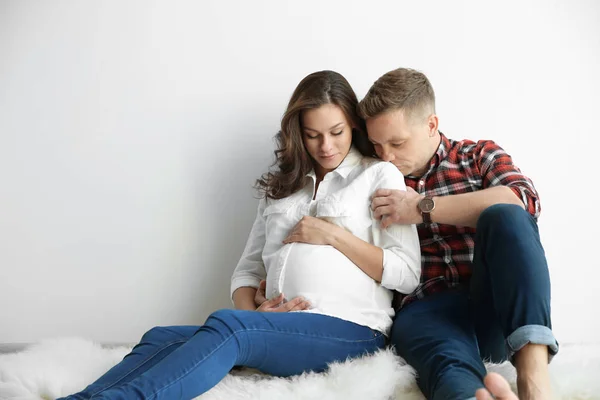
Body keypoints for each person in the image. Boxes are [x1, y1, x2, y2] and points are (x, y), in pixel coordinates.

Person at [57, 70, 421, 400]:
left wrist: (333, 235)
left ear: (354, 127)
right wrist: (256, 313)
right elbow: (246, 271)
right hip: (276, 327)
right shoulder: (283, 188)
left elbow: (407, 274)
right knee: (160, 337)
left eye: (336, 132)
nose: (325, 146)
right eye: (313, 135)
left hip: (351, 331)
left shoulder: (380, 175)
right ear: (298, 134)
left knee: (230, 328)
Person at [357, 67, 559, 400]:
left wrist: (422, 207)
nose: (387, 156)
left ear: (431, 124)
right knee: (452, 372)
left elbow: (522, 202)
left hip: (492, 307)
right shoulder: (373, 176)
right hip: (424, 309)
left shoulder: (478, 156)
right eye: (377, 145)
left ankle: (535, 384)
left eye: (397, 142)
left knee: (506, 215)